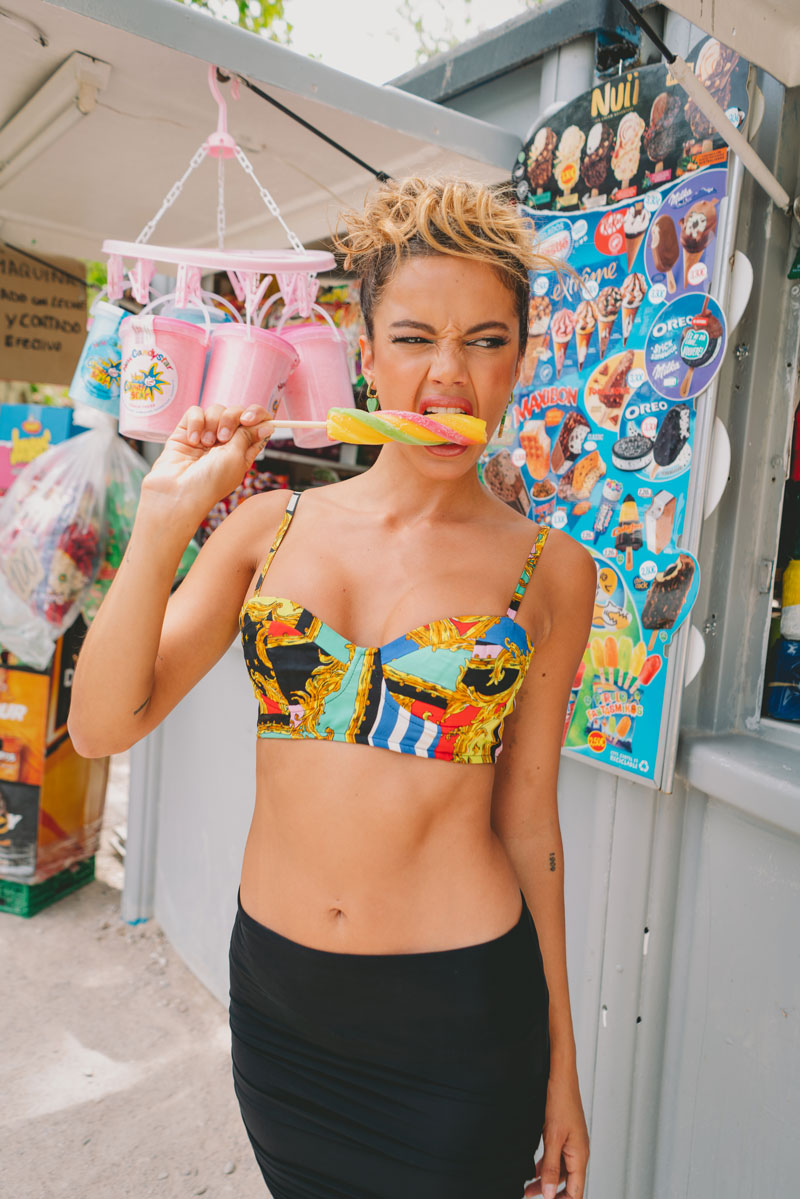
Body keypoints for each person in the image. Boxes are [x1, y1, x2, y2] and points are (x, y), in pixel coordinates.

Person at [69, 176, 595, 1199]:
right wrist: (168, 517)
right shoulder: (266, 530)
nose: (448, 376)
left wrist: (561, 1065)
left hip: (458, 1018)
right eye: (414, 338)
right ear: (364, 351)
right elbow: (98, 725)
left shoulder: (551, 570)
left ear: (522, 359)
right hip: (282, 1010)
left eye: (485, 341)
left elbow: (531, 821)